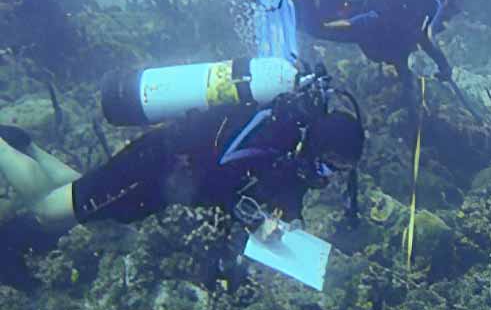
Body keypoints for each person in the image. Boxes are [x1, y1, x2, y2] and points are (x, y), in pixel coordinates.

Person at [0, 79, 365, 230]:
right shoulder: (276, 135)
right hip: (152, 168)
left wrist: (290, 218)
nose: (328, 175)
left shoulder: (290, 142)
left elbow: (283, 190)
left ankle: (26, 145)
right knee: (48, 211)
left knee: (78, 195)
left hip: (160, 181)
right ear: (318, 146)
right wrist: (246, 214)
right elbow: (222, 170)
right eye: (330, 165)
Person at [287, 0, 474, 119]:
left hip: (371, 23)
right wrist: (443, 64)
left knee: (317, 20)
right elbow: (425, 36)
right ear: (449, 0)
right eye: (454, 11)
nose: (450, 17)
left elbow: (406, 42)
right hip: (369, 25)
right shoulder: (435, 3)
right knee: (315, 27)